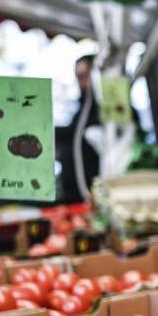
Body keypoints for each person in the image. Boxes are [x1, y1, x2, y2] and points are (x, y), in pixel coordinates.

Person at [55, 55, 102, 204]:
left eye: (84, 76)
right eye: (78, 78)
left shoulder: (104, 110)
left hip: (92, 193)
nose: (81, 83)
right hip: (76, 194)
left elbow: (75, 132)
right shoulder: (82, 109)